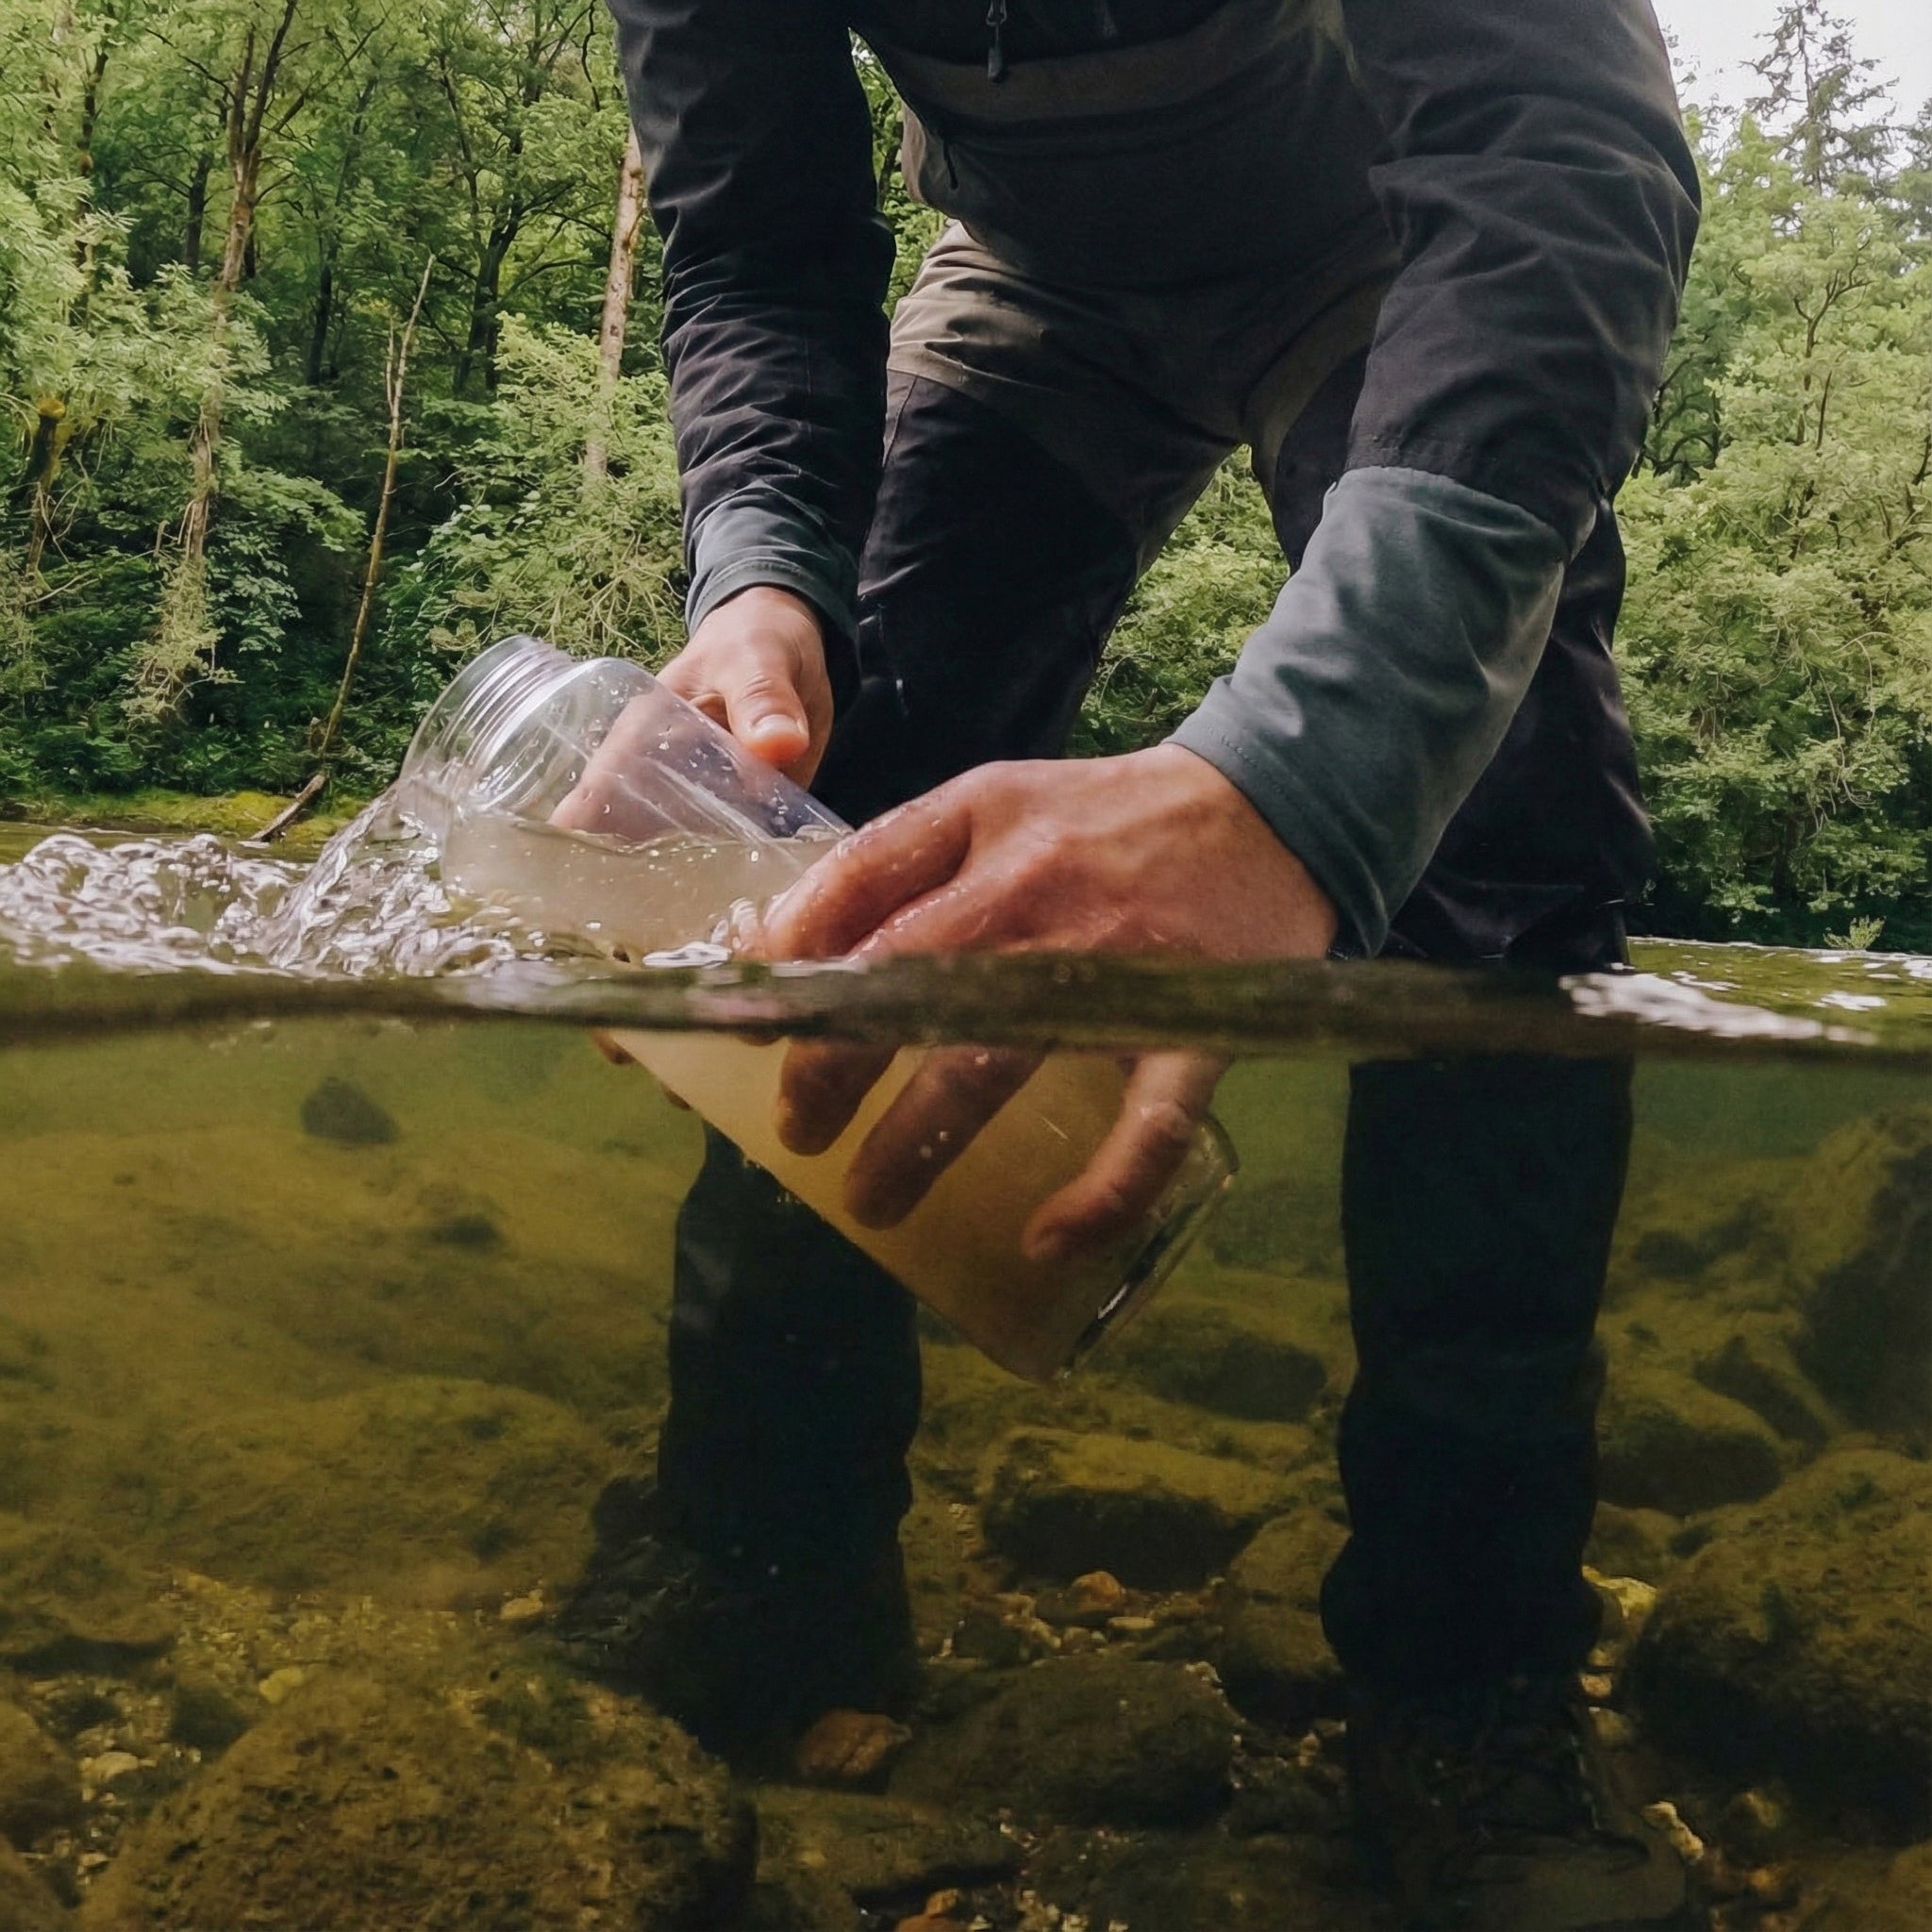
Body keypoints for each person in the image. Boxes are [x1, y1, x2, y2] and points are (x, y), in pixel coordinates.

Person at [566, 3, 1702, 1926]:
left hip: (1397, 245)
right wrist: (761, 573)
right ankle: (765, 1558)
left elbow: (1556, 152)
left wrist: (1300, 791)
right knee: (846, 784)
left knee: (1499, 815)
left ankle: (1468, 1675)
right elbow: (754, 233)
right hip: (1028, 276)